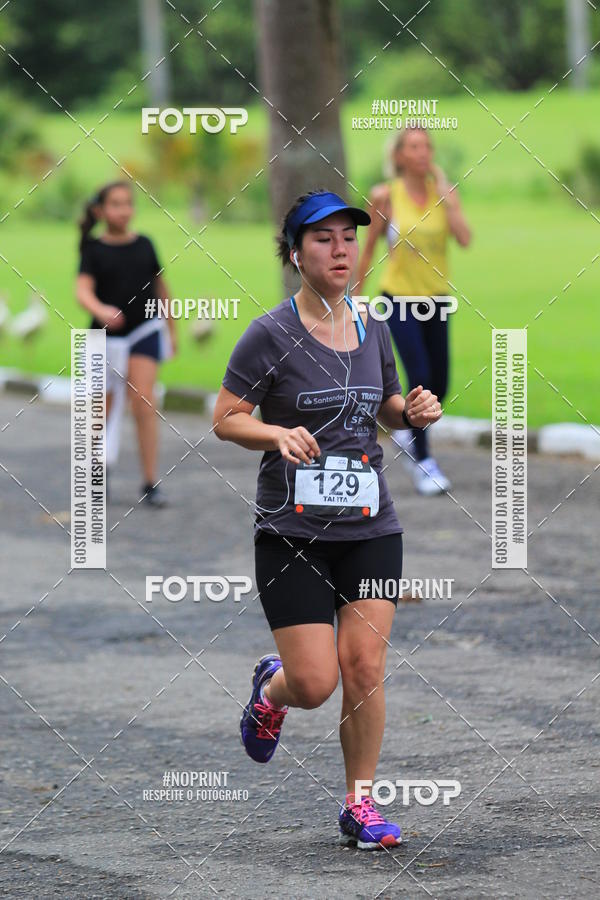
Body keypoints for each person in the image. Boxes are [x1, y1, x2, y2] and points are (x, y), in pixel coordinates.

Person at [212, 189, 442, 850]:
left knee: (364, 666)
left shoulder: (372, 326)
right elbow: (226, 418)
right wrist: (276, 433)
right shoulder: (269, 335)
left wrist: (412, 412)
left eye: (349, 237)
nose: (340, 249)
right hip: (292, 532)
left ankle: (360, 806)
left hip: (372, 527)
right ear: (294, 253)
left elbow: (387, 406)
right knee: (315, 683)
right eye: (322, 239)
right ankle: (271, 691)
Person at [355, 127, 471, 496]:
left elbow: (464, 240)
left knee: (441, 384)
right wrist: (354, 299)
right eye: (414, 147)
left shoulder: (444, 195)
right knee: (419, 375)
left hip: (436, 299)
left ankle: (405, 430)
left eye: (427, 147)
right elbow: (368, 247)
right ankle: (424, 461)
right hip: (398, 299)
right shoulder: (386, 196)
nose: (423, 153)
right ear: (400, 156)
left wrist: (451, 199)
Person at [75, 181, 176, 507]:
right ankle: (97, 471)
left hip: (144, 331)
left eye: (128, 203)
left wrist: (171, 330)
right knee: (100, 409)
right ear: (101, 211)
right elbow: (83, 291)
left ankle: (150, 482)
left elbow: (162, 289)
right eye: (116, 204)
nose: (124, 210)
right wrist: (100, 309)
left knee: (143, 401)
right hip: (103, 336)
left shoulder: (145, 244)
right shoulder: (93, 250)